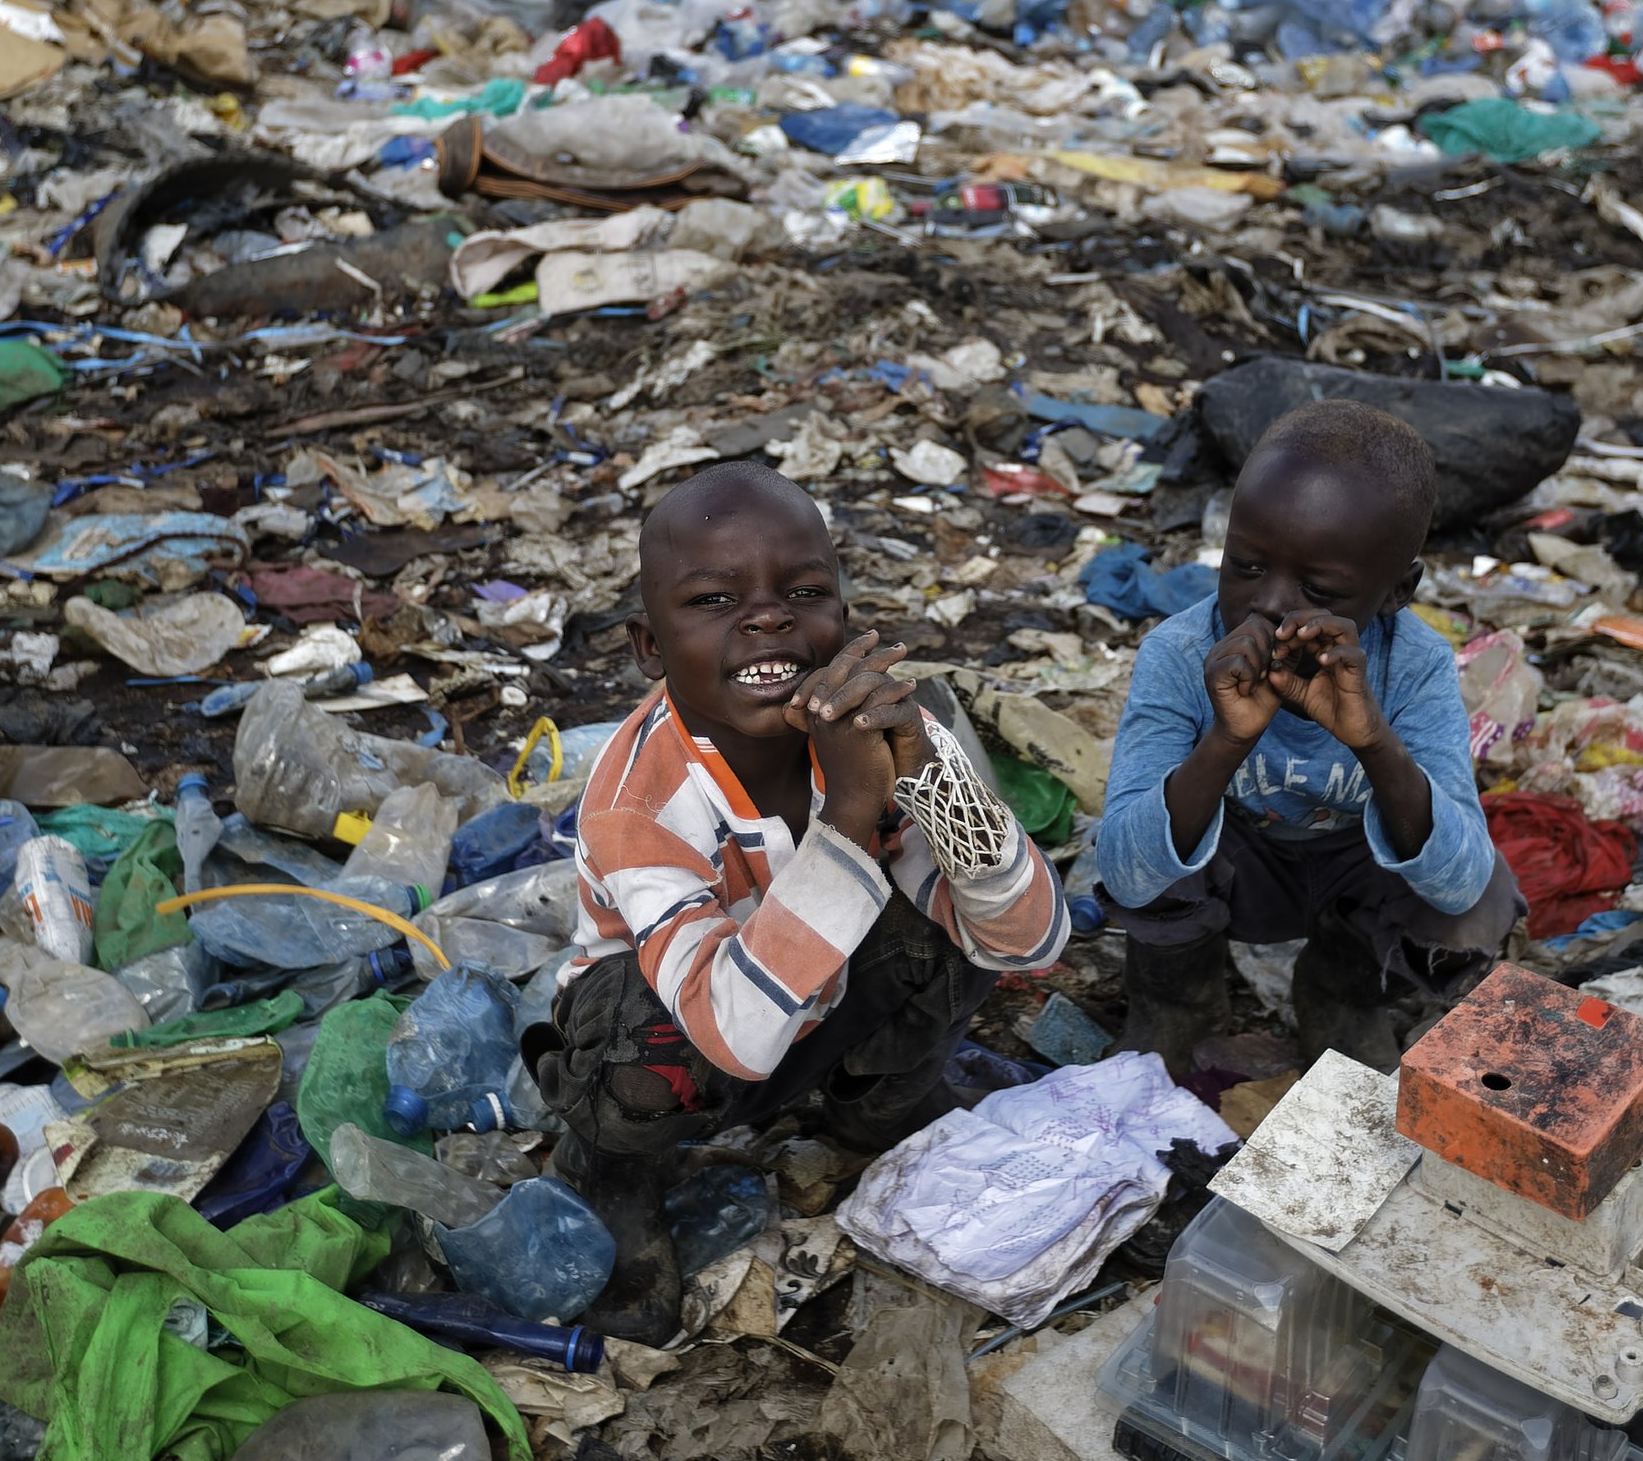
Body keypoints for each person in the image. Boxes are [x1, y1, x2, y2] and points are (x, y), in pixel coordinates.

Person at [527, 460, 1070, 1343]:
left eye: (805, 590)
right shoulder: (639, 802)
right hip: (695, 1038)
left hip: (821, 1002)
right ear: (649, 648)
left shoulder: (890, 730)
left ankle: (876, 1106)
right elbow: (734, 1037)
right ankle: (611, 1168)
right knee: (638, 1039)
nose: (768, 616)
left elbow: (1028, 942)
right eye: (712, 600)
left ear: (844, 623)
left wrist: (936, 779)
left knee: (951, 928)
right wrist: (854, 812)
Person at [1100, 401, 1519, 1074]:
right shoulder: (1180, 653)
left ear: (1396, 590)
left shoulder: (1413, 665)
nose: (1269, 602)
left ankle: (1342, 994)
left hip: (1351, 873)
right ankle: (1178, 1007)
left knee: (1481, 882)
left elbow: (1460, 883)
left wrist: (1375, 742)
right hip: (1243, 866)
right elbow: (1123, 867)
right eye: (1244, 564)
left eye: (1318, 588)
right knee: (1146, 825)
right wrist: (1225, 743)